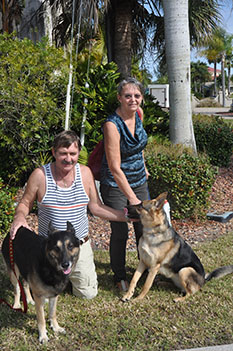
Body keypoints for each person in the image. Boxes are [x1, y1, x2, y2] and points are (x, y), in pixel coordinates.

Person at [10, 130, 132, 299]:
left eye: (73, 154)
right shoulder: (40, 175)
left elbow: (96, 207)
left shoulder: (86, 173)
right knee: (43, 295)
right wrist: (20, 217)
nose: (68, 159)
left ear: (78, 153)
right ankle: (53, 278)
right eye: (63, 154)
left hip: (77, 246)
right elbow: (25, 203)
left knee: (87, 294)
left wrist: (125, 216)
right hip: (50, 248)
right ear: (54, 152)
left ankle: (66, 279)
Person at [100, 77, 150, 292]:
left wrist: (144, 167)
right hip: (115, 184)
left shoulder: (138, 114)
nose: (133, 99)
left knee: (144, 227)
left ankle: (146, 270)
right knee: (120, 230)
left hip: (139, 180)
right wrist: (132, 198)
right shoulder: (112, 125)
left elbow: (139, 145)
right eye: (128, 96)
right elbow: (114, 167)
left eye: (137, 95)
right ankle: (119, 275)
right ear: (119, 98)